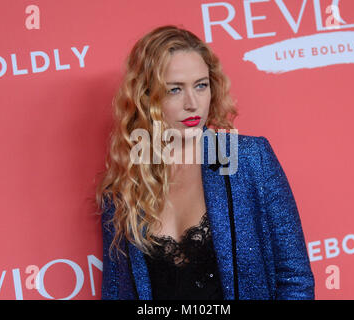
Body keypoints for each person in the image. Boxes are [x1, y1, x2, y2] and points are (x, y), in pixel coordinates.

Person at [96, 25, 315, 300]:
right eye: (174, 89)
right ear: (145, 96)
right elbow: (116, 293)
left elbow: (294, 278)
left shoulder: (249, 159)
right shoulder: (124, 187)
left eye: (201, 85)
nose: (192, 103)